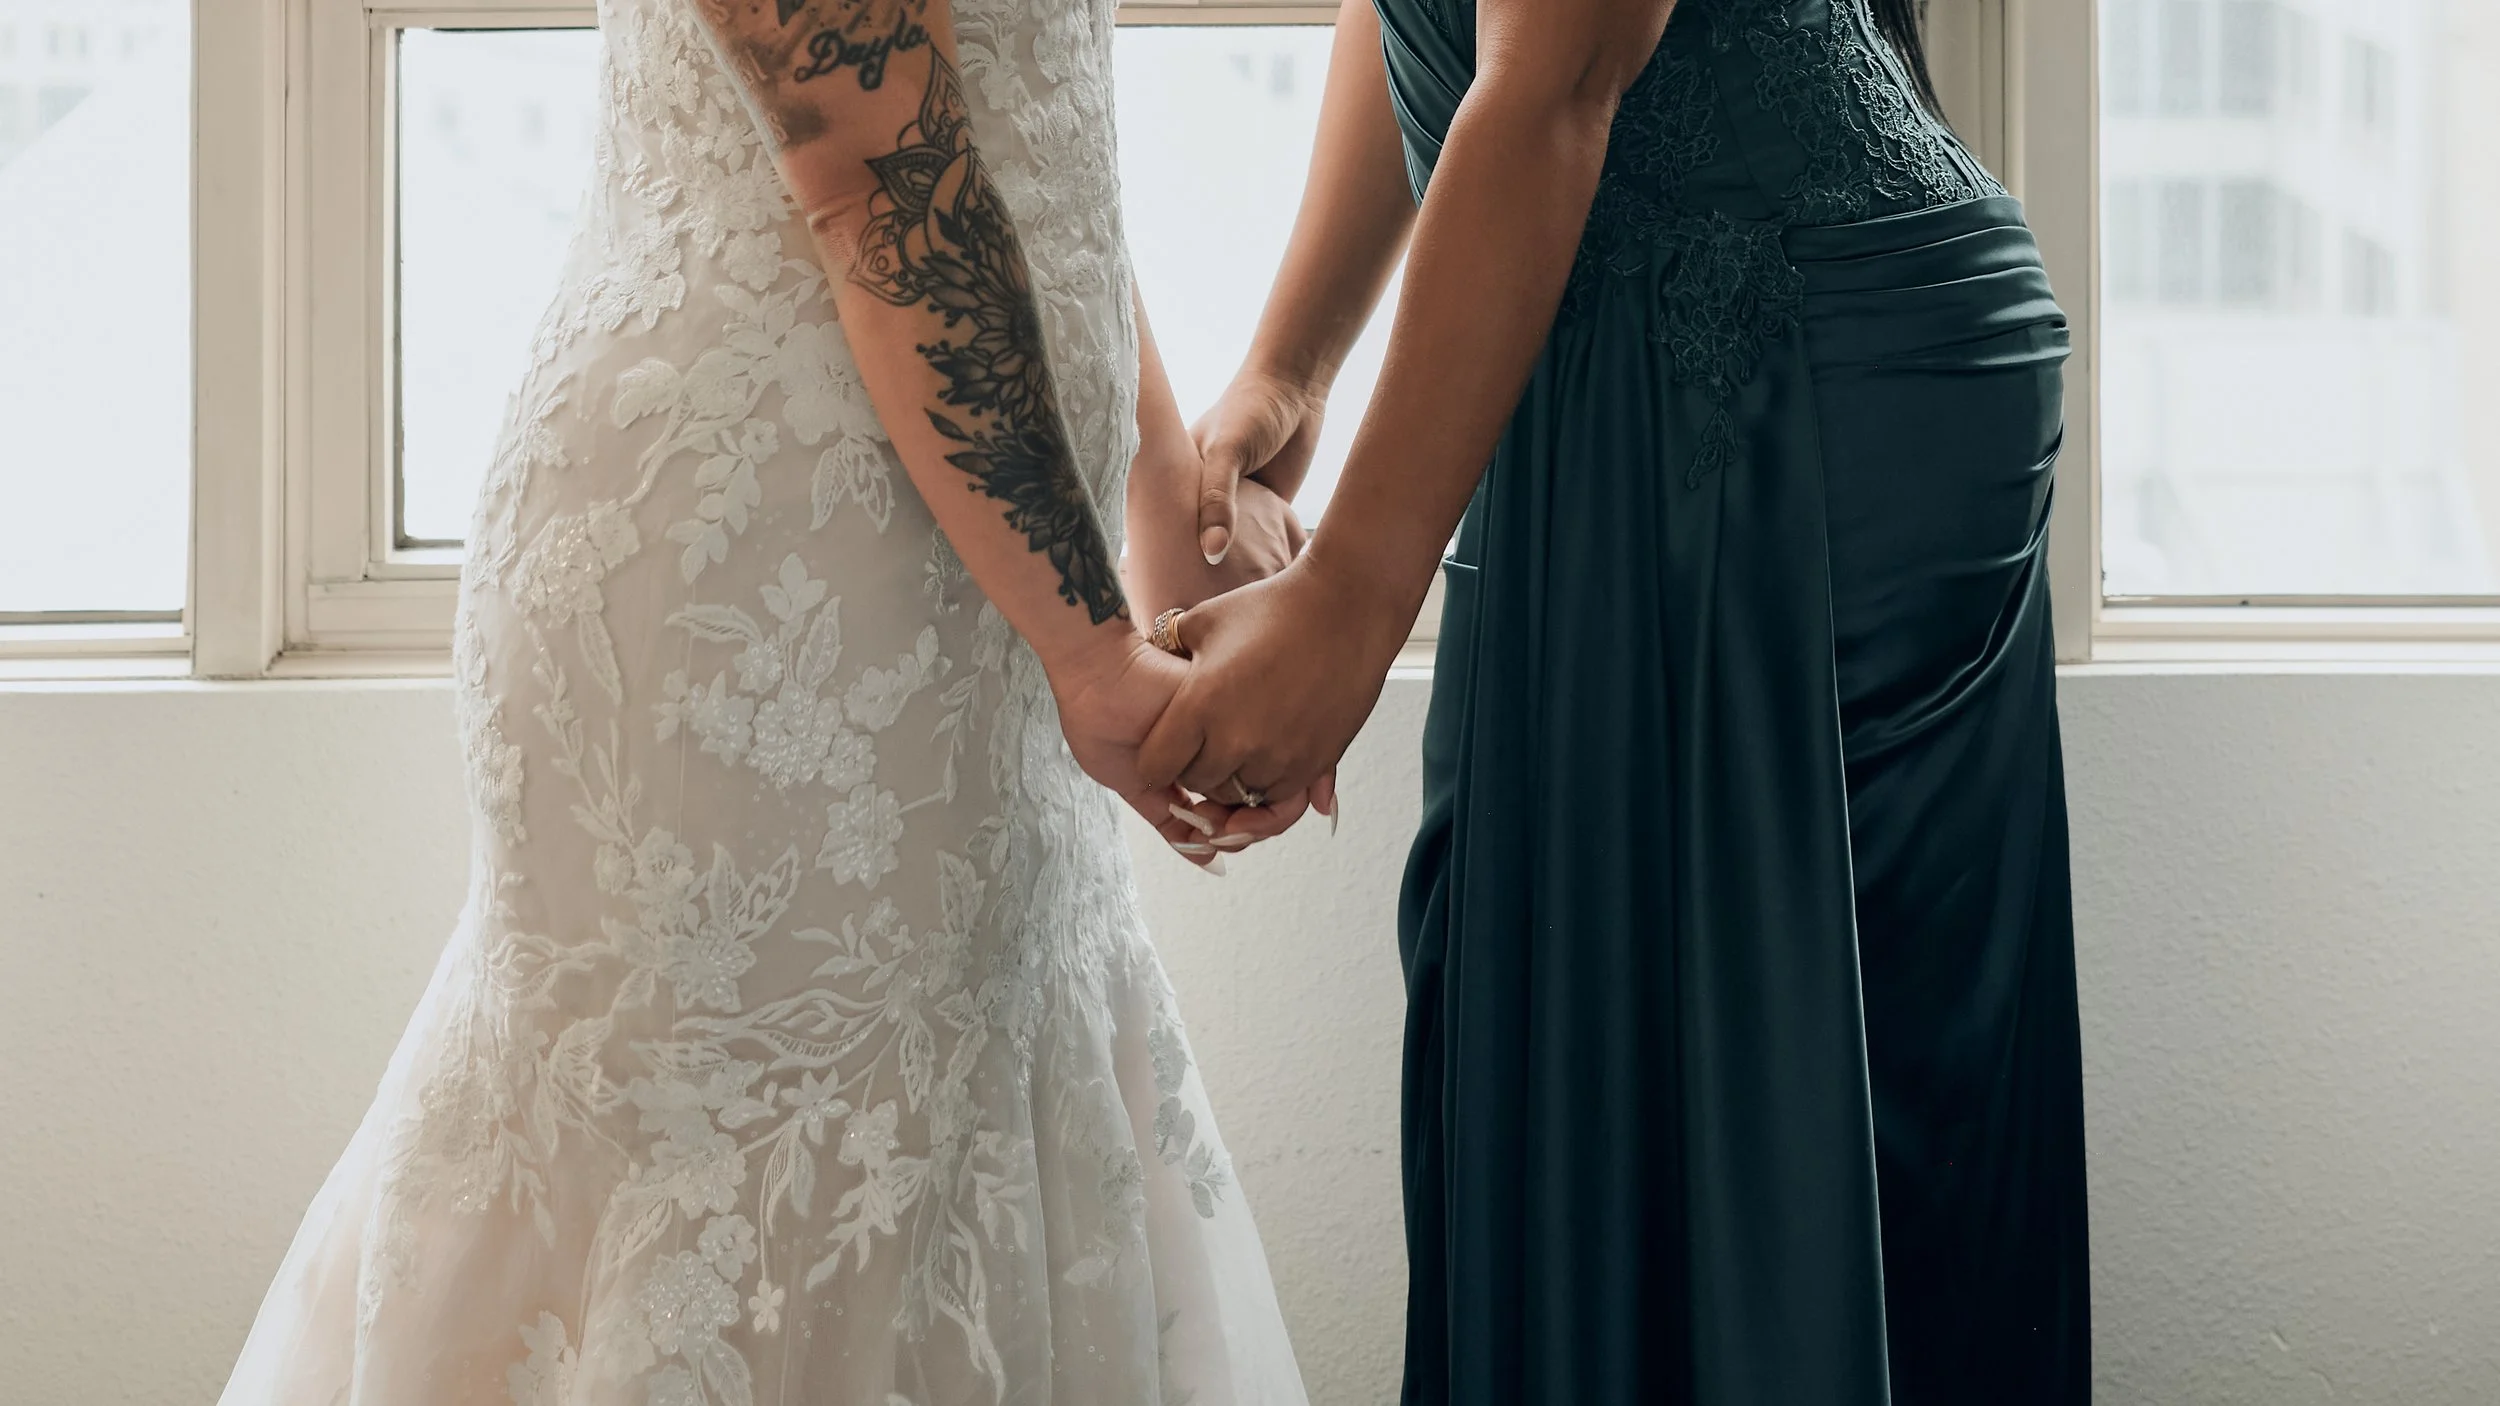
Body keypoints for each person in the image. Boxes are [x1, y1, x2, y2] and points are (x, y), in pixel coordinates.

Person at [216, 0, 1316, 1400]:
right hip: (768, 590)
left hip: (975, 573)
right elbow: (874, 160)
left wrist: (1158, 483)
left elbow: (1021, 106)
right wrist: (1092, 647)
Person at [1143, 0, 2091, 1401]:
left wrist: (1352, 594)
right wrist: (1296, 358)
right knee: (1605, 1105)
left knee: (1746, 1162)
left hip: (1784, 370)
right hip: (1666, 338)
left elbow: (1563, 70)